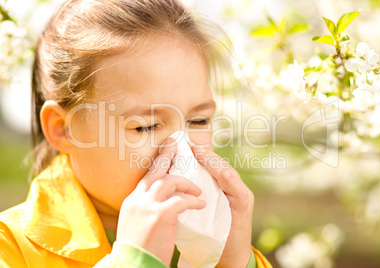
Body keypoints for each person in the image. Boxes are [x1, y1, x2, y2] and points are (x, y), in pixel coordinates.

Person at [0, 0, 272, 267]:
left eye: (199, 120)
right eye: (146, 126)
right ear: (64, 129)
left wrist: (233, 262)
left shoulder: (209, 238)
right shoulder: (10, 247)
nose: (180, 149)